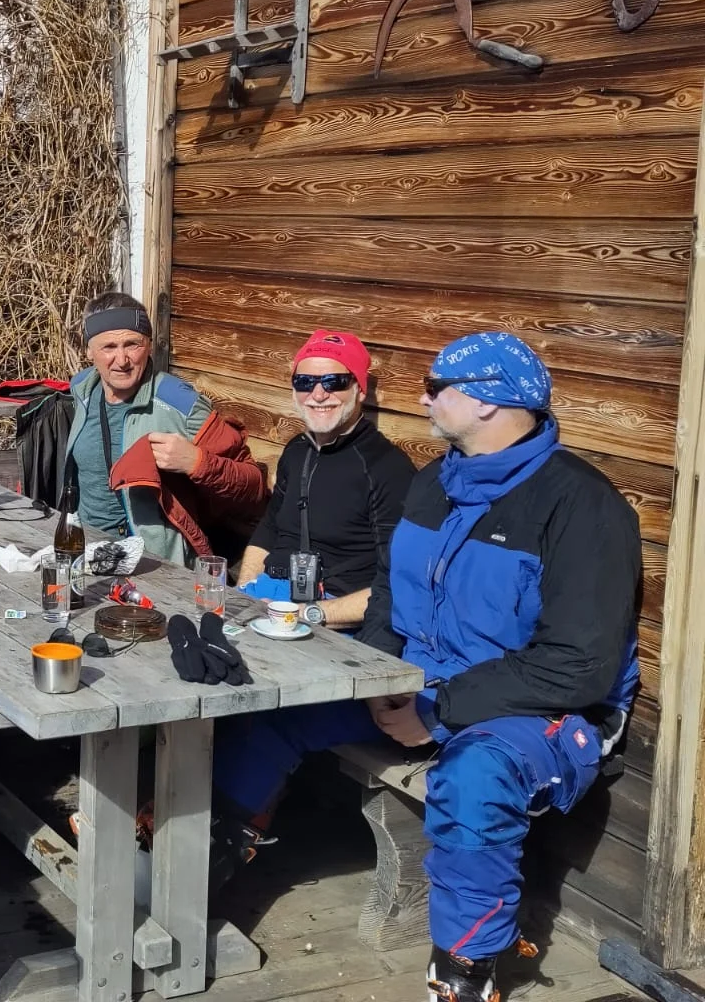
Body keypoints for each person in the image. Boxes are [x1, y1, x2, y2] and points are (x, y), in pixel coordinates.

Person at [209, 332, 640, 1002]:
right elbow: (389, 594)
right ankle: (197, 866)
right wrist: (382, 679)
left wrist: (442, 706)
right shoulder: (436, 482)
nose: (422, 397)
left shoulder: (582, 506)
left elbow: (578, 666)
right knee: (273, 710)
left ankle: (466, 973)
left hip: (537, 708)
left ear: (493, 402)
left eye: (439, 388)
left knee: (474, 780)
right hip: (421, 680)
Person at [61, 292, 267, 565]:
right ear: (89, 351)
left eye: (132, 344)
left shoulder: (179, 403)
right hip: (85, 549)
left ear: (149, 346)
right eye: (108, 347)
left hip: (153, 564)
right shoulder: (82, 389)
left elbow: (254, 487)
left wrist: (197, 463)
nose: (121, 360)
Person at [234, 330, 414, 627]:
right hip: (262, 597)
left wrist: (308, 614)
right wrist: (245, 591)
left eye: (334, 382)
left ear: (360, 389)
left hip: (327, 614)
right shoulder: (296, 449)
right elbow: (268, 530)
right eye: (305, 383)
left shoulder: (387, 468)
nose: (318, 395)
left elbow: (397, 584)